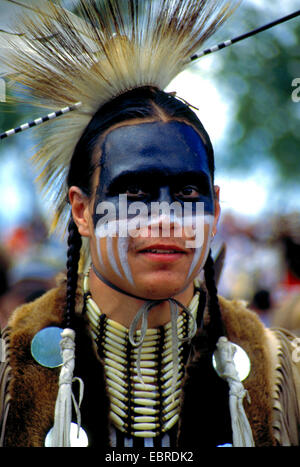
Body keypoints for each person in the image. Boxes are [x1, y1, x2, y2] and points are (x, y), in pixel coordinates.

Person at [0, 0, 300, 449]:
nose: (164, 218)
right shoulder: (10, 374)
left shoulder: (282, 376)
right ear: (82, 210)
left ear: (215, 209)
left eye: (186, 193)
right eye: (134, 193)